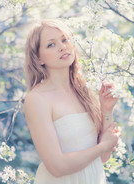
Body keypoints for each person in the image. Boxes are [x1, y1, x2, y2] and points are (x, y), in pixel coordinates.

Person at [24, 19, 120, 184]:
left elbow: (103, 158)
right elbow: (57, 167)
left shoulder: (84, 90)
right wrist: (103, 146)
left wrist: (106, 110)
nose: (62, 47)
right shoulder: (37, 99)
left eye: (64, 39)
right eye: (51, 45)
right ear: (39, 58)